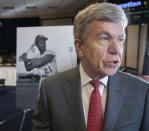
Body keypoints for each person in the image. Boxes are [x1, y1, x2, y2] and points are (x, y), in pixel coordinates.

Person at [32, 3, 149, 131]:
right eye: (105, 38)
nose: (116, 50)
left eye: (120, 40)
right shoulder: (50, 88)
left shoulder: (141, 91)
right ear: (80, 47)